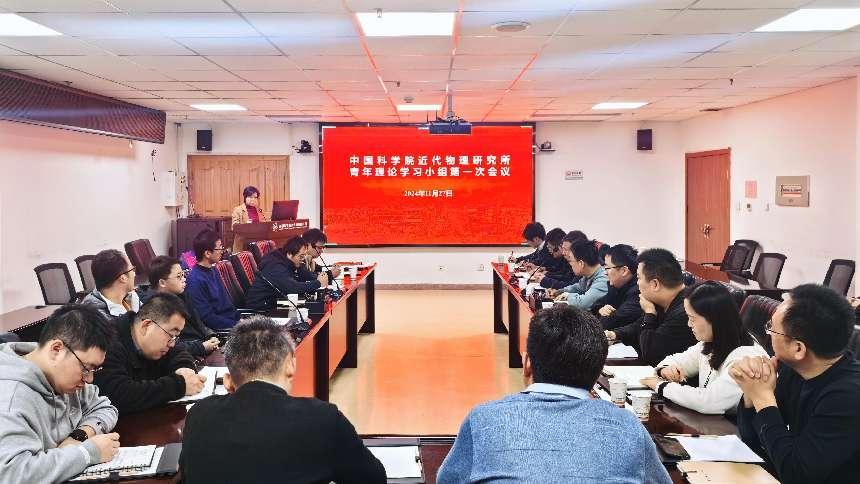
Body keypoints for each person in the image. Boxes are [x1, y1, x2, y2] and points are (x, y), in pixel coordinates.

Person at [436, 305, 670, 483]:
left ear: (527, 364)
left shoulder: (484, 419)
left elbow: (447, 480)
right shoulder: (628, 426)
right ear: (597, 372)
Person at [180, 316, 386, 484]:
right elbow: (373, 479)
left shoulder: (198, 414)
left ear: (228, 381)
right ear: (291, 366)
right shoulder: (323, 419)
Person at [730, 284, 860, 484]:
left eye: (771, 328)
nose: (768, 333)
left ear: (798, 349)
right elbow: (753, 437)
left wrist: (762, 398)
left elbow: (796, 474)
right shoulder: (796, 369)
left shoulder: (848, 396)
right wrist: (752, 388)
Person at [0, 305, 120, 483]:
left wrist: (79, 436)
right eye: (86, 368)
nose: (89, 379)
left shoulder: (61, 377)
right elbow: (12, 474)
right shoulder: (11, 399)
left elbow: (105, 408)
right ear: (56, 349)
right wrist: (86, 453)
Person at [640, 281, 767, 414]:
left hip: (732, 426)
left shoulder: (747, 357)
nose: (689, 324)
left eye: (692, 319)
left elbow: (710, 402)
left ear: (714, 319)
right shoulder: (712, 342)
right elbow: (677, 360)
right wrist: (665, 370)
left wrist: (661, 386)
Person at [94, 293, 204, 415]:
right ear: (146, 325)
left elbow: (179, 352)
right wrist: (179, 385)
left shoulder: (157, 342)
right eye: (171, 335)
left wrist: (185, 370)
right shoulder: (107, 342)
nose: (172, 344)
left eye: (176, 337)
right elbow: (118, 394)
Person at [606, 248, 696, 366]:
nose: (637, 283)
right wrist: (614, 334)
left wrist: (649, 314)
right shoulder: (662, 301)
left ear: (655, 284)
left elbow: (651, 355)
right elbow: (638, 326)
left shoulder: (686, 311)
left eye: (639, 278)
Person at [143, 256, 219, 359]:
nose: (184, 279)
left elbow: (199, 324)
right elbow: (168, 346)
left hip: (201, 349)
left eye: (183, 274)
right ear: (162, 283)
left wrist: (211, 336)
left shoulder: (182, 295)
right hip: (185, 358)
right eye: (179, 276)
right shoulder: (154, 308)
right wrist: (201, 347)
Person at [244, 236, 329, 312]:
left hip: (275, 302)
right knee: (309, 310)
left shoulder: (288, 260)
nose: (303, 259)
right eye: (301, 256)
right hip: (262, 309)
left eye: (304, 256)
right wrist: (318, 283)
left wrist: (320, 278)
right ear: (289, 254)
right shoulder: (276, 266)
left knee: (315, 306)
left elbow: (303, 276)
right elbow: (293, 288)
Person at [185, 229, 239, 330]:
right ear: (207, 253)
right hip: (224, 329)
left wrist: (241, 320)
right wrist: (237, 325)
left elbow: (227, 305)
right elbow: (207, 318)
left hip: (232, 322)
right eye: (219, 248)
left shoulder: (213, 270)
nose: (222, 251)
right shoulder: (195, 280)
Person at [549, 239, 608, 310]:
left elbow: (583, 303)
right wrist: (559, 292)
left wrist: (568, 296)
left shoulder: (603, 278)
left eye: (570, 260)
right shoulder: (589, 275)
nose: (570, 264)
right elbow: (577, 287)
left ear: (581, 263)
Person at [81, 249, 140, 319]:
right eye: (132, 269)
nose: (134, 273)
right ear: (123, 278)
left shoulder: (130, 297)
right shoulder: (97, 318)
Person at [595, 244, 642, 330]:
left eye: (607, 268)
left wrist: (603, 315)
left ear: (624, 271)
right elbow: (596, 305)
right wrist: (600, 310)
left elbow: (611, 323)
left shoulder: (638, 291)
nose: (605, 272)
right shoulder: (615, 285)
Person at [231, 185, 269, 253]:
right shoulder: (238, 210)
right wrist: (246, 226)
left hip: (258, 244)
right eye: (250, 197)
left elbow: (264, 223)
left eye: (255, 197)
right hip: (243, 244)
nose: (253, 199)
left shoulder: (259, 210)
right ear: (245, 197)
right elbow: (234, 227)